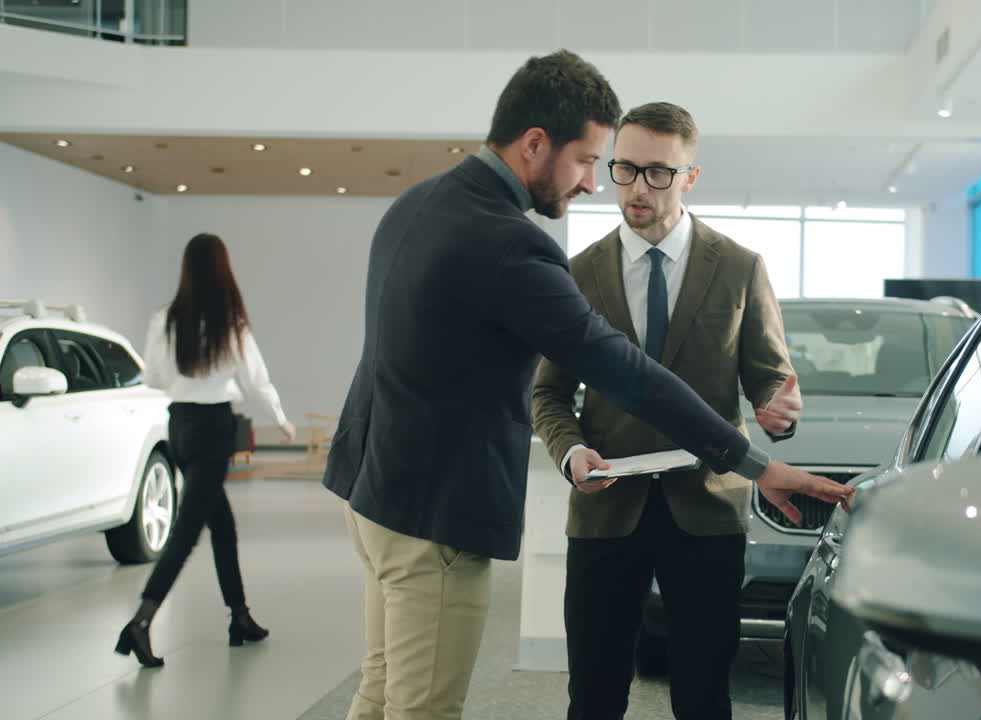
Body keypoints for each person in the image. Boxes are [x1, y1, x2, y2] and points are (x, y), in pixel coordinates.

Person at [322, 50, 852, 720]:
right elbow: (620, 369)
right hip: (436, 508)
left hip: (375, 490)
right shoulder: (510, 242)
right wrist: (754, 463)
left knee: (379, 694)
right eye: (588, 162)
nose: (595, 185)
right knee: (422, 709)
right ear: (535, 144)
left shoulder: (420, 201)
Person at [530, 101, 801, 720]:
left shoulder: (738, 268)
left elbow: (769, 381)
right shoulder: (575, 273)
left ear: (691, 177)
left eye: (658, 173)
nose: (637, 188)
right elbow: (548, 392)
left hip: (706, 507)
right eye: (625, 169)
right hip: (605, 507)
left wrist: (778, 410)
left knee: (704, 695)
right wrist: (570, 452)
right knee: (594, 695)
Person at [114, 232, 296, 668]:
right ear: (223, 270)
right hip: (215, 429)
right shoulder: (230, 323)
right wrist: (281, 418)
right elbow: (256, 379)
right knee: (187, 532)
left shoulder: (166, 319)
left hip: (179, 426)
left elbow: (154, 377)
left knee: (223, 526)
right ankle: (140, 621)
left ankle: (240, 617)